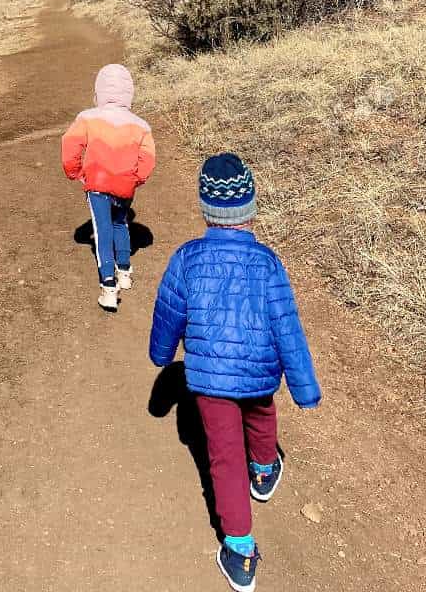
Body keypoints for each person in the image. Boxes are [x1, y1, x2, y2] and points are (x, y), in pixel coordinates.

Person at [149, 153, 321, 591]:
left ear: (206, 209)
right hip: (259, 374)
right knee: (263, 417)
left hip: (209, 381)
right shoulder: (267, 264)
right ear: (252, 206)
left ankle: (241, 550)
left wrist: (161, 354)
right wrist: (304, 389)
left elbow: (170, 312)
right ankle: (264, 470)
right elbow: (287, 327)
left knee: (224, 456)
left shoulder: (186, 258)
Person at [61, 63, 156, 311]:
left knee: (102, 230)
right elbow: (148, 160)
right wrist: (136, 179)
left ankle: (108, 285)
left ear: (99, 91)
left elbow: (70, 145)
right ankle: (124, 270)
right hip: (125, 185)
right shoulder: (141, 125)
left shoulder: (87, 118)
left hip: (97, 183)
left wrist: (74, 172)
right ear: (129, 93)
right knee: (120, 223)